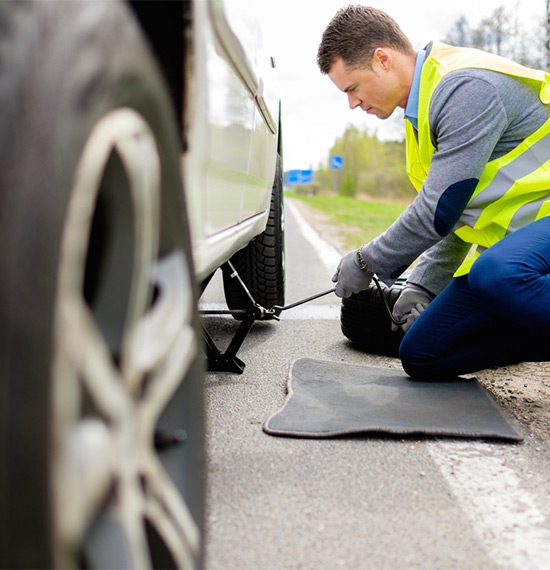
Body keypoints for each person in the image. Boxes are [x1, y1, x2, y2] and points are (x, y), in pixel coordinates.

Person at [317, 5, 550, 380]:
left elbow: (438, 210)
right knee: (423, 353)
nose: (353, 103)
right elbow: (458, 214)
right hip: (526, 251)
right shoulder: (419, 116)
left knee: (497, 274)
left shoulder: (465, 88)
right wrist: (423, 285)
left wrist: (366, 261)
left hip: (520, 257)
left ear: (382, 59)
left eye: (353, 87)